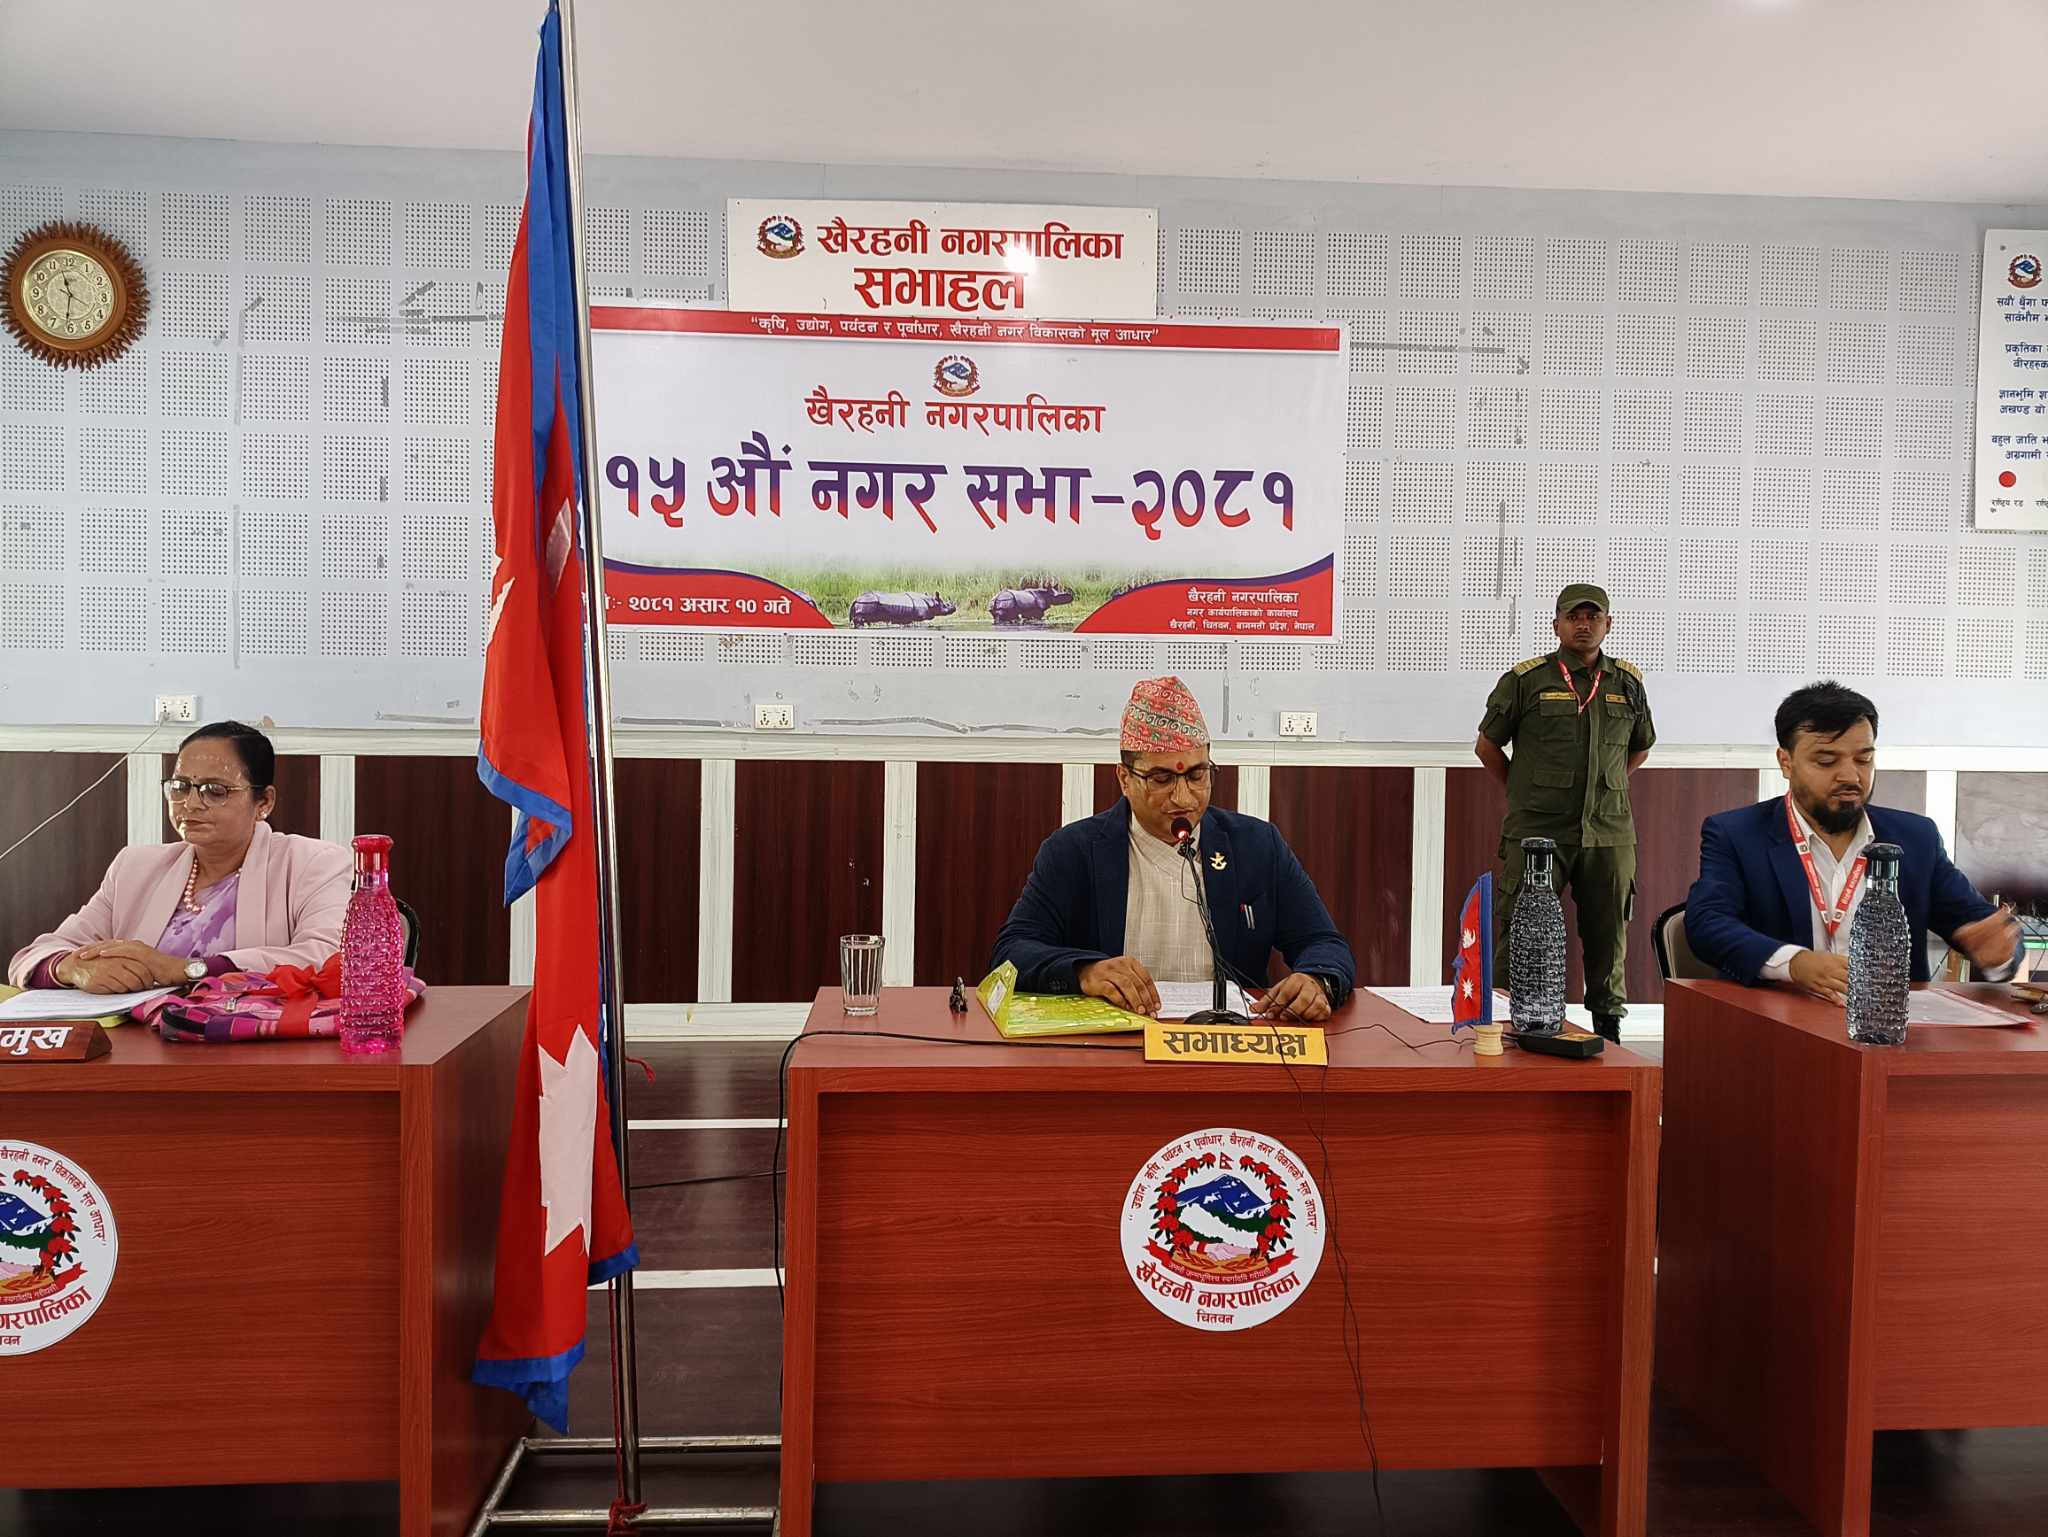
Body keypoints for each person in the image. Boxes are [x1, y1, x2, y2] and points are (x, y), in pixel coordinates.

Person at [990, 676, 1355, 1021]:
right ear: (1124, 779)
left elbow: (1323, 943)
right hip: (1115, 1044)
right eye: (1161, 779)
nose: (1183, 798)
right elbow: (1012, 953)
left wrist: (1316, 980)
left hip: (1226, 1041)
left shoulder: (1256, 846)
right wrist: (1084, 971)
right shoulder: (1073, 851)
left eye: (1197, 775)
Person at [1685, 682, 2021, 1002]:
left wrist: (2000, 952)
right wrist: (1795, 963)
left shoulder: (1915, 838)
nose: (1850, 776)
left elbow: (1982, 925)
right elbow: (1708, 923)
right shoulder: (1737, 834)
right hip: (1782, 1023)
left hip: (1891, 1025)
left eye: (1863, 759)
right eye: (1826, 761)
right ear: (1786, 762)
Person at [8, 721, 352, 993]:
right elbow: (34, 956)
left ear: (264, 802)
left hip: (252, 1045)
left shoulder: (313, 863)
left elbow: (329, 958)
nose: (191, 803)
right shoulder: (135, 868)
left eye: (215, 791)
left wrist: (184, 969)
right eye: (180, 786)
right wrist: (71, 968)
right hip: (140, 1045)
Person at [1473, 584, 1655, 1042]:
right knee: (1523, 932)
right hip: (1538, 831)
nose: (1583, 625)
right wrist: (1522, 793)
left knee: (1608, 935)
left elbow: (1640, 747)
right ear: (1556, 625)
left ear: (1608, 625)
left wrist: (1609, 786)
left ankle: (1608, 1032)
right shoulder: (1527, 680)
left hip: (1609, 833)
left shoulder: (1627, 683)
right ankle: (1510, 1028)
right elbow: (1487, 745)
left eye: (1593, 617)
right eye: (1574, 617)